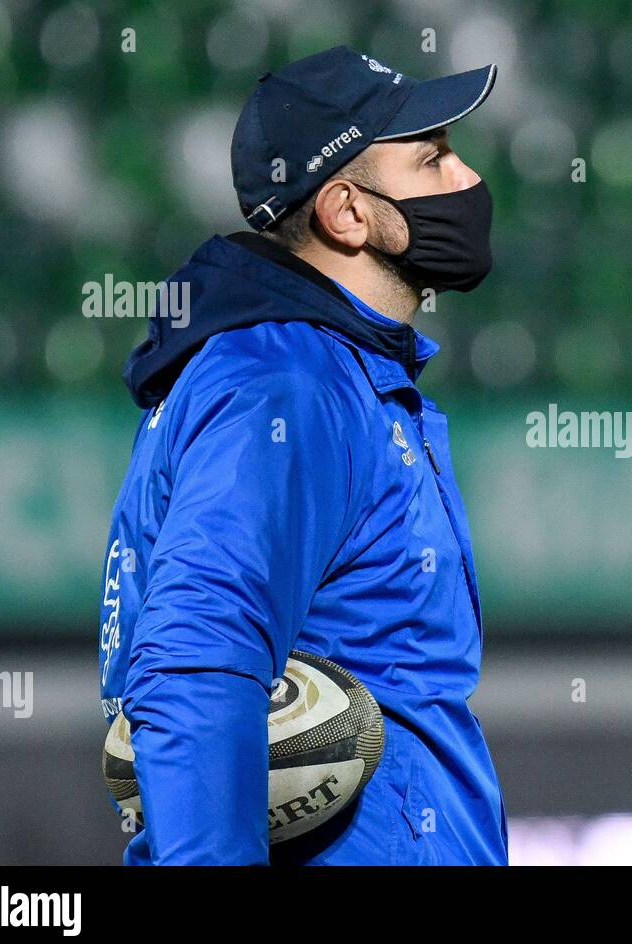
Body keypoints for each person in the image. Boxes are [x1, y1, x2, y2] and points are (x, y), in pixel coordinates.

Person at [96, 45, 507, 865]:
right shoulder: (287, 383)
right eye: (432, 158)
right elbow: (195, 663)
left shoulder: (333, 370)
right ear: (347, 211)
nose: (467, 181)